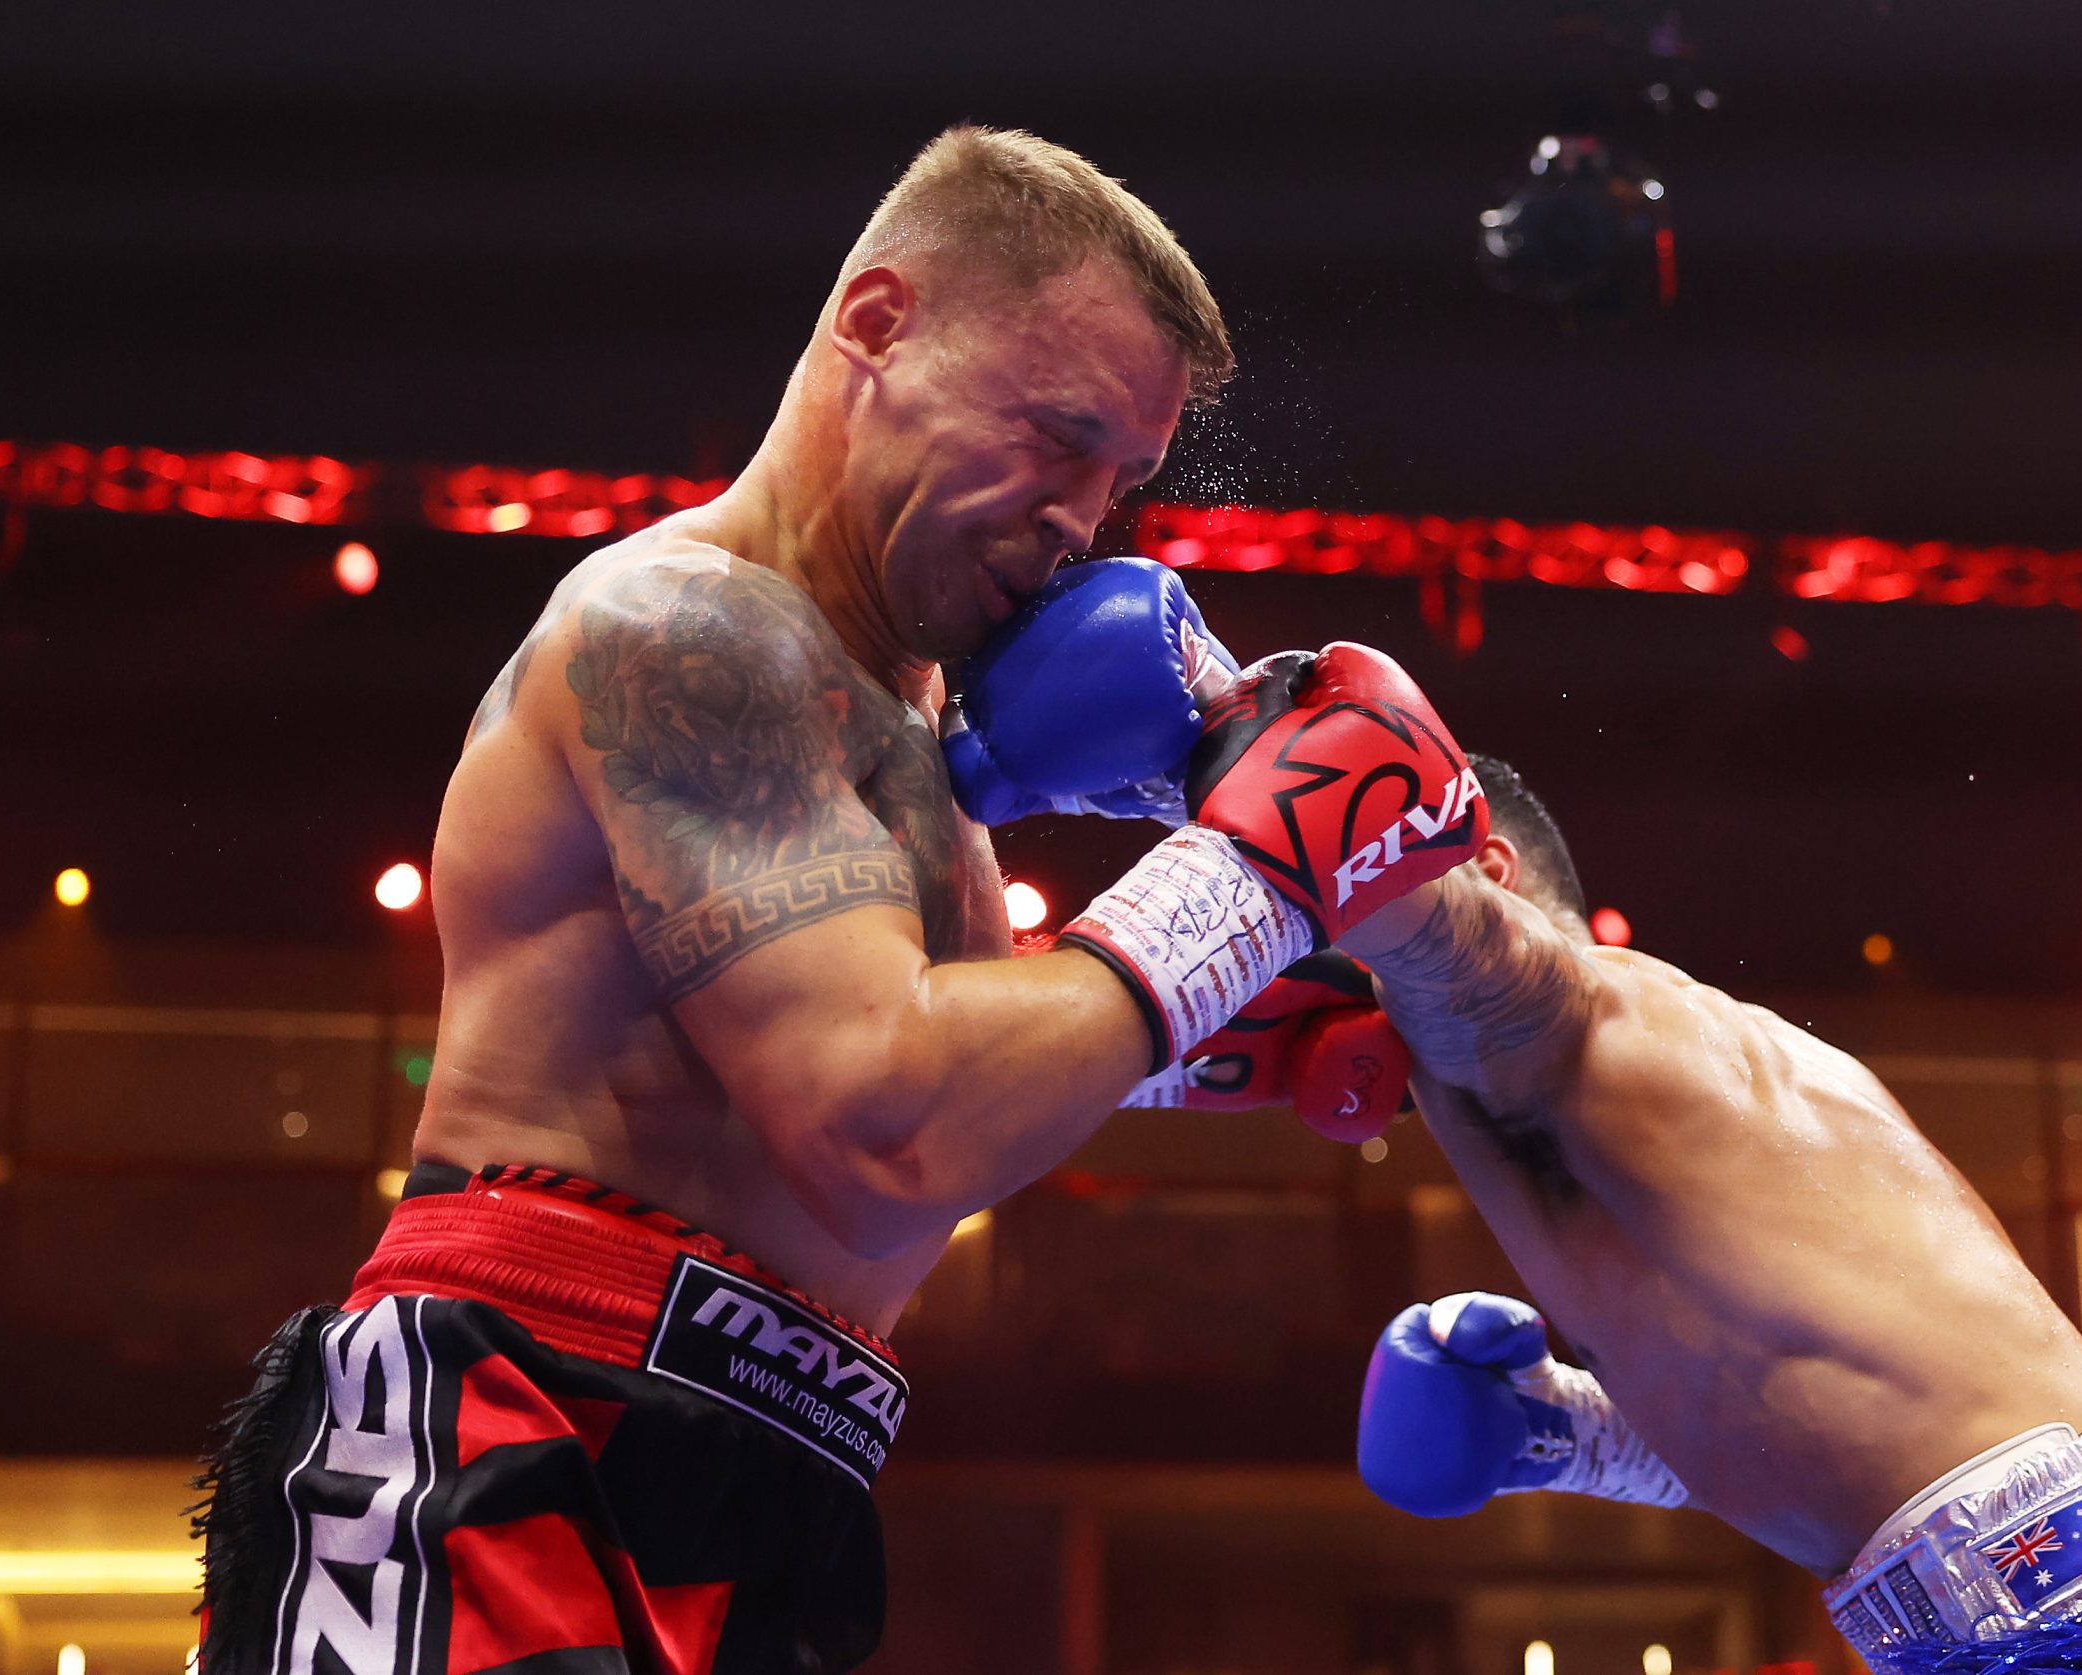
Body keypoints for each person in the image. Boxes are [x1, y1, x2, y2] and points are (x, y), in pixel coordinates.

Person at [190, 126, 1480, 1675]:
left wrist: (1242, 1026)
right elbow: (884, 1120)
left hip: (770, 1475)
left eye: (1124, 476)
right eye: (1058, 435)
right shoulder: (692, 630)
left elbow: (851, 1047)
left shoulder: (909, 719)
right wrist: (1263, 868)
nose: (1087, 518)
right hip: (514, 1422)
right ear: (877, 323)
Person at [1343, 754, 2082, 1674]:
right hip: (2041, 1631)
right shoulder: (1593, 1134)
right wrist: (1570, 1437)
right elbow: (1841, 1429)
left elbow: (1364, 838)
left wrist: (1207, 753)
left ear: (1483, 870)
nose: (1364, 1007)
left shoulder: (1603, 1021)